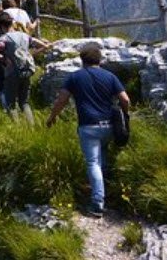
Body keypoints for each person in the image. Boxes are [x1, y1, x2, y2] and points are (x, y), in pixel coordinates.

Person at [46, 44, 131, 218]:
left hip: (88, 127)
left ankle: (97, 202)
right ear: (99, 60)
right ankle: (108, 191)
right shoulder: (110, 76)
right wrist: (125, 114)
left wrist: (52, 116)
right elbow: (125, 99)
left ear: (82, 60)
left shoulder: (75, 77)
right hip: (109, 126)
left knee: (93, 163)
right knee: (103, 158)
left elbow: (62, 100)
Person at [0, 12, 51, 124]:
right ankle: (31, 129)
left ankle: (17, 129)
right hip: (26, 71)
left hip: (11, 73)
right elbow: (45, 46)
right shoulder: (25, 36)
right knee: (24, 102)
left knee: (11, 103)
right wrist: (30, 55)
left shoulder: (4, 38)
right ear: (12, 23)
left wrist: (3, 58)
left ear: (2, 26)